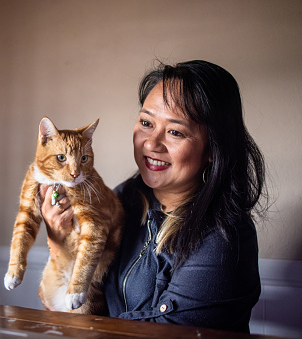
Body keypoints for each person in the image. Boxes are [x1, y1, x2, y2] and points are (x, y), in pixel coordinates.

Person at [40, 60, 267, 333]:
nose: (151, 143)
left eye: (175, 132)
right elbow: (66, 306)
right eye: (146, 122)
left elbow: (170, 332)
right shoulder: (125, 199)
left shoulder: (225, 237)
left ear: (213, 149)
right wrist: (60, 241)